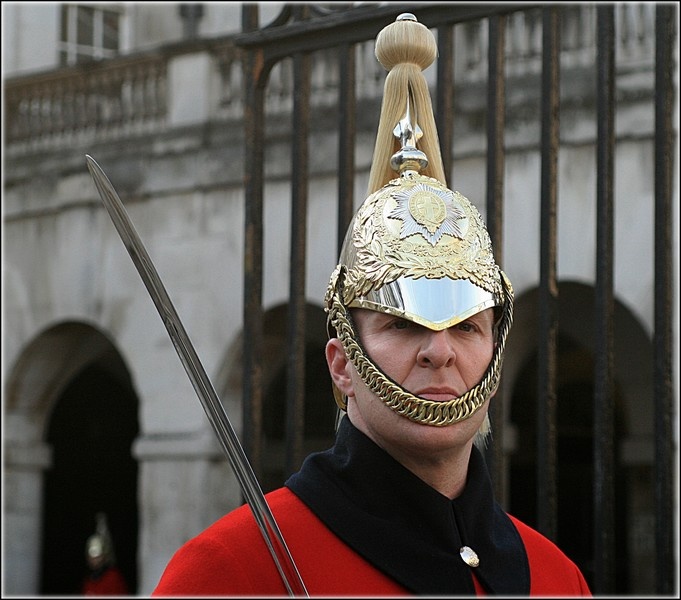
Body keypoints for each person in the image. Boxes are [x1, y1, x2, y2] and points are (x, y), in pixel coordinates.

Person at [153, 13, 591, 596]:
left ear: (495, 349)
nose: (439, 350)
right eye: (403, 324)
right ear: (341, 364)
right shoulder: (229, 571)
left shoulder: (558, 578)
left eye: (466, 325)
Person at [81, 512, 129, 596]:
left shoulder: (113, 578)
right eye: (92, 557)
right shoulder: (88, 582)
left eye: (97, 557)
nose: (94, 561)